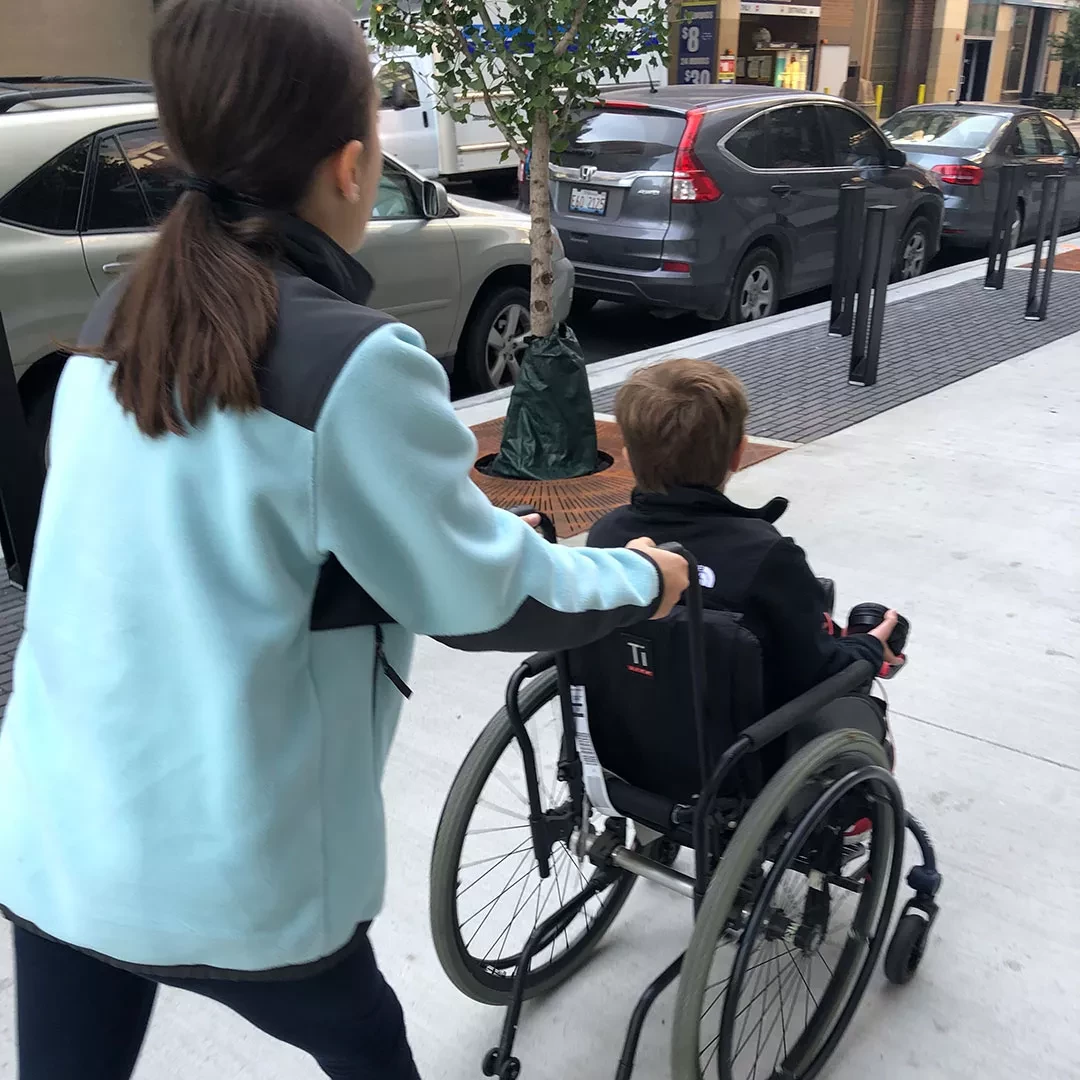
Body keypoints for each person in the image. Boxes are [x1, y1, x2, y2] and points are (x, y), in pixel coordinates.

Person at [0, 3, 689, 1079]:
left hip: (58, 836)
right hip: (229, 862)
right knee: (367, 1046)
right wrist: (642, 577)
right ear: (356, 164)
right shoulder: (355, 362)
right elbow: (481, 596)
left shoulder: (119, 320)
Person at [588, 358, 898, 751]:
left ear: (629, 455)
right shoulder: (766, 556)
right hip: (733, 766)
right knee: (861, 708)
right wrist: (869, 648)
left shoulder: (604, 537)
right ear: (738, 454)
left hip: (619, 748)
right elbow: (817, 673)